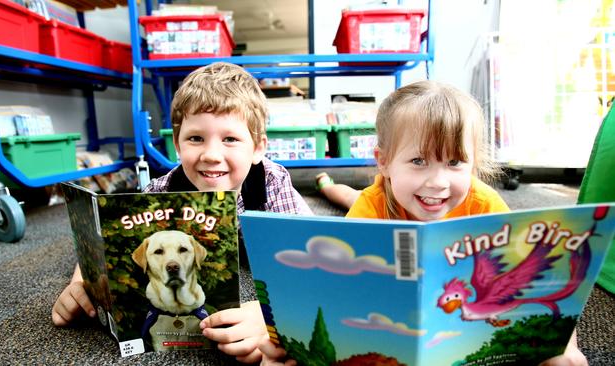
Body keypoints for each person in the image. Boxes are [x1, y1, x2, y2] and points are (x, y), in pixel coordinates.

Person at [259, 80, 580, 365]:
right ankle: (327, 184)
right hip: (379, 197)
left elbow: (539, 280)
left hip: (401, 195)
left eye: (454, 162)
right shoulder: (372, 205)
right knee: (347, 196)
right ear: (383, 161)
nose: (438, 181)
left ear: (473, 163)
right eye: (418, 161)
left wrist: (566, 342)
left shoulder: (483, 202)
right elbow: (334, 290)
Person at [52, 62, 312, 364]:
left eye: (230, 139)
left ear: (257, 148)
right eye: (196, 138)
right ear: (177, 144)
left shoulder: (272, 181)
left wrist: (268, 315)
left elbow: (310, 255)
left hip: (258, 246)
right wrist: (78, 283)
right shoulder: (160, 191)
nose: (211, 155)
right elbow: (103, 239)